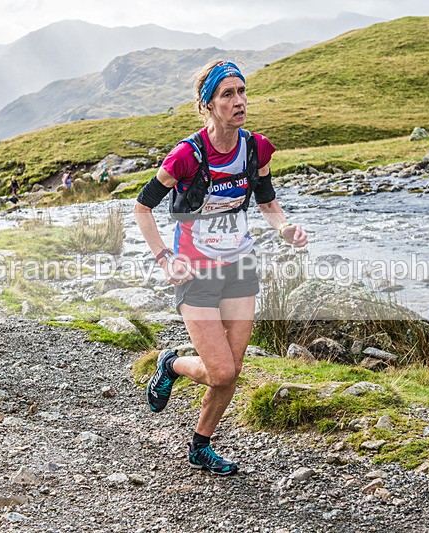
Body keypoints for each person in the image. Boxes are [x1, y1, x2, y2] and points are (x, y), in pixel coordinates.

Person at [134, 60, 308, 475]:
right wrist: (164, 257)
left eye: (242, 92)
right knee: (221, 370)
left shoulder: (256, 148)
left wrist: (284, 228)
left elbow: (266, 201)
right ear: (208, 104)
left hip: (240, 266)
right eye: (227, 94)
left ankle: (200, 445)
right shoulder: (187, 155)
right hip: (194, 271)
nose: (239, 101)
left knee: (231, 372)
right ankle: (172, 364)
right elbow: (142, 207)